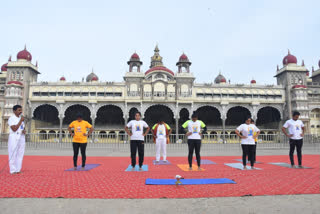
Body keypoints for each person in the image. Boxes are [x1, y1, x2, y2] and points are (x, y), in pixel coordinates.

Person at [8, 105, 26, 174]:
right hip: (14, 137)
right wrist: (20, 121)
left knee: (20, 153)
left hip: (21, 137)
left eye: (21, 110)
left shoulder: (21, 119)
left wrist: (24, 130)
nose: (20, 112)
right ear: (14, 111)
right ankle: (12, 170)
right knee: (13, 153)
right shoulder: (11, 118)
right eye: (19, 110)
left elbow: (22, 127)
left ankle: (18, 169)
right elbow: (14, 129)